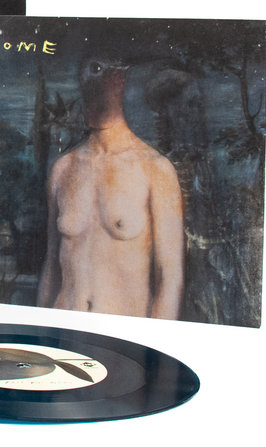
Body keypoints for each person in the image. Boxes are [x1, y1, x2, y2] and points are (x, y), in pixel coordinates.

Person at [37, 56, 185, 319]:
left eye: (104, 71)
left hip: (121, 328)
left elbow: (170, 279)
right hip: (63, 321)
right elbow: (51, 268)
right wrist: (38, 331)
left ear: (121, 79)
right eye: (90, 71)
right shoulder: (62, 170)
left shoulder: (156, 169)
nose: (96, 82)